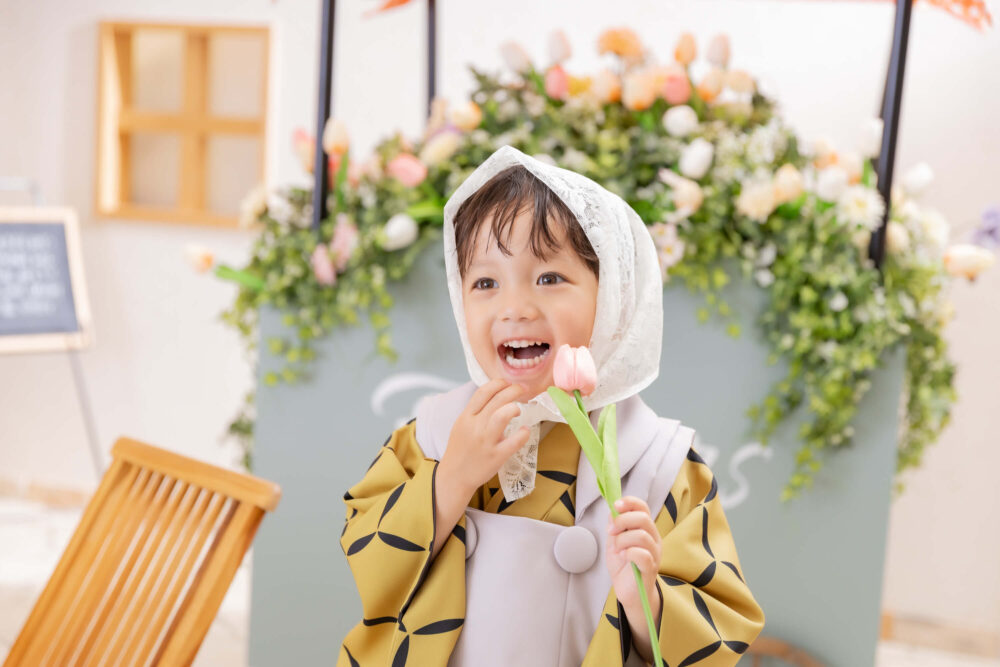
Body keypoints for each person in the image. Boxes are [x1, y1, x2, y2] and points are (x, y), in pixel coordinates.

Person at [339, 145, 764, 666]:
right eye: (485, 282)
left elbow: (719, 629)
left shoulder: (660, 464)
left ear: (611, 297)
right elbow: (367, 556)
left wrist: (645, 599)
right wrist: (451, 479)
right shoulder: (431, 435)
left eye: (549, 278)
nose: (514, 308)